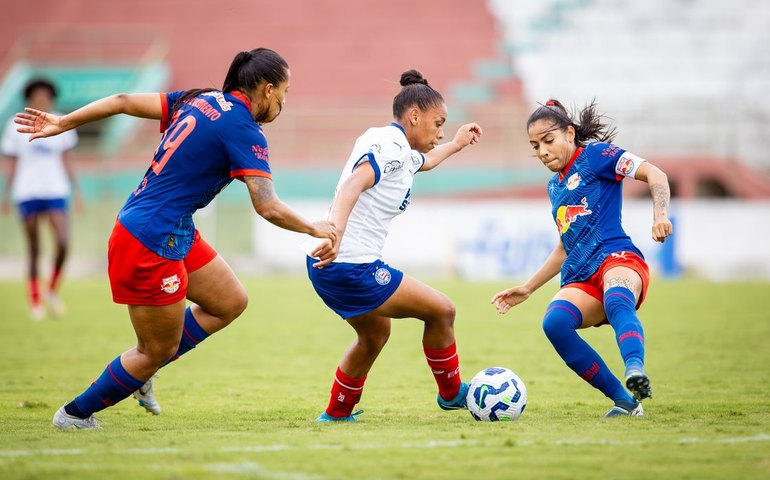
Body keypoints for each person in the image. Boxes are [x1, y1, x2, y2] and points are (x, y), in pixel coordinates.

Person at [14, 48, 337, 430]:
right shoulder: (243, 128)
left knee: (229, 301)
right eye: (285, 91)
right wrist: (314, 228)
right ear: (268, 89)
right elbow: (267, 206)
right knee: (155, 349)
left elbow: (122, 101)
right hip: (149, 238)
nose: (284, 101)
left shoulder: (201, 98)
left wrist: (65, 121)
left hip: (168, 225)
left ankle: (144, 370)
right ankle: (74, 414)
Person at [305, 69, 482, 421]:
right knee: (442, 311)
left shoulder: (392, 144)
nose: (440, 132)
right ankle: (451, 394)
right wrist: (336, 232)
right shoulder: (393, 148)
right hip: (350, 264)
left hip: (328, 265)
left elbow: (425, 161)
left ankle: (336, 413)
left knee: (374, 334)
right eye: (438, 124)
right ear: (415, 116)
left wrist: (457, 143)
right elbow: (353, 184)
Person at [491, 99, 672, 417]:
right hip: (580, 273)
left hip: (617, 258)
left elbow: (655, 174)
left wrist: (660, 214)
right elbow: (565, 246)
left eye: (548, 140)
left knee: (617, 298)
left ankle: (634, 369)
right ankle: (625, 401)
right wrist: (528, 288)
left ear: (570, 133)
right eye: (535, 146)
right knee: (555, 323)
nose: (543, 151)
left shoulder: (597, 155)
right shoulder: (554, 187)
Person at [1, 79, 80, 320]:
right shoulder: (15, 125)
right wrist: (6, 196)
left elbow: (67, 160)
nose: (41, 100)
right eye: (37, 96)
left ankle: (51, 289)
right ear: (29, 99)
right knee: (34, 248)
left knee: (63, 242)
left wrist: (77, 192)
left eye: (45, 96)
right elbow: (12, 163)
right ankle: (35, 301)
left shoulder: (63, 122)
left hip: (56, 190)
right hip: (27, 191)